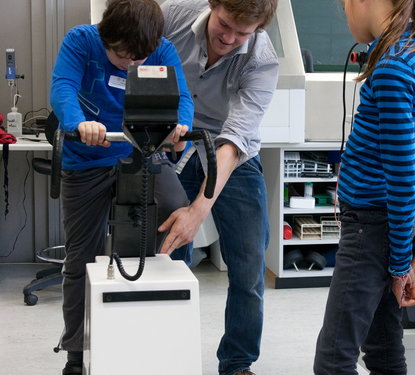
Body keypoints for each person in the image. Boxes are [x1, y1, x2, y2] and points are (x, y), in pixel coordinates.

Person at [49, 0, 194, 374]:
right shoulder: (81, 40)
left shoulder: (161, 49)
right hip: (88, 161)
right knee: (81, 258)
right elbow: (62, 87)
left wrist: (180, 126)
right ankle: (76, 354)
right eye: (121, 54)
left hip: (142, 156)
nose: (129, 63)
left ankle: (155, 324)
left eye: (137, 58)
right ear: (105, 34)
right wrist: (79, 122)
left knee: (178, 211)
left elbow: (183, 100)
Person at [313, 0, 415, 374]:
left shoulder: (391, 69)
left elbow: (403, 175)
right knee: (384, 349)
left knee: (333, 359)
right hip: (393, 229)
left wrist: (401, 263)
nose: (346, 16)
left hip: (371, 229)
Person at [158, 1, 279, 374]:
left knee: (248, 266)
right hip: (170, 142)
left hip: (232, 154)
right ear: (213, 4)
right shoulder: (171, 17)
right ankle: (169, 360)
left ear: (259, 28)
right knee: (166, 260)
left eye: (242, 33)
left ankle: (237, 363)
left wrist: (198, 211)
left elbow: (232, 141)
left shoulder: (262, 59)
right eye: (224, 24)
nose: (228, 38)